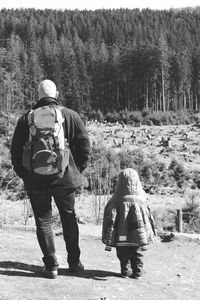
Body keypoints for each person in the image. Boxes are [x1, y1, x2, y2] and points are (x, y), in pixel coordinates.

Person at [10, 79, 90, 279]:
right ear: (57, 94)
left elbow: (15, 150)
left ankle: (51, 265)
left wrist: (25, 174)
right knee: (69, 217)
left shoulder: (26, 119)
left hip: (35, 179)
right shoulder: (70, 116)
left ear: (38, 95)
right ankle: (74, 263)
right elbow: (84, 146)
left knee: (43, 221)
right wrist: (76, 169)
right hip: (65, 178)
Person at [102, 168, 156, 279]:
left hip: (121, 235)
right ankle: (137, 272)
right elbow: (148, 218)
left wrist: (109, 236)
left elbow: (109, 218)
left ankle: (125, 271)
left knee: (122, 253)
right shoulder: (143, 200)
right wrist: (148, 235)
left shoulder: (115, 200)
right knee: (138, 253)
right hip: (138, 235)